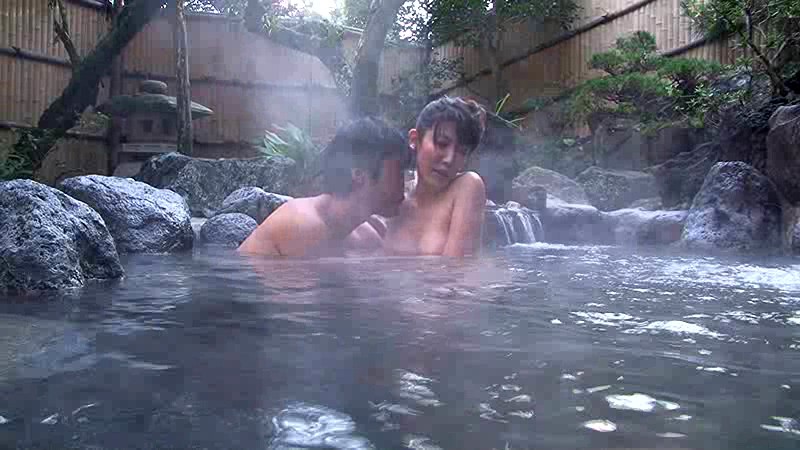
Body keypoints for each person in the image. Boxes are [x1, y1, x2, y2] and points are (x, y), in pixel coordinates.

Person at [238, 117, 409, 258]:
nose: (405, 182)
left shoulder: (365, 238)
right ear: (359, 175)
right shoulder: (301, 225)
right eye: (399, 172)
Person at [383, 96, 487, 257]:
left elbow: (458, 268)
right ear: (414, 140)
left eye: (462, 152)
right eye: (442, 144)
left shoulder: (467, 187)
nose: (449, 159)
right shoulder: (393, 202)